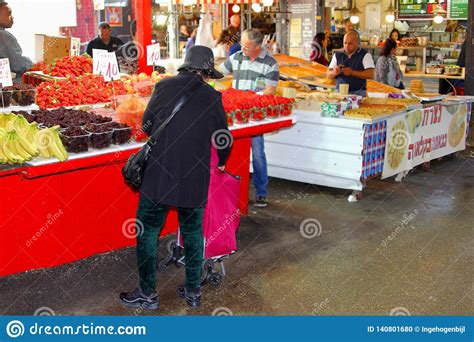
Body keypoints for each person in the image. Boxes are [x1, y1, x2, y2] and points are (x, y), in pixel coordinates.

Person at [119, 45, 231, 310]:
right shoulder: (213, 97)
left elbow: (146, 125)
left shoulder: (164, 87)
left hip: (159, 174)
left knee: (147, 232)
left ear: (185, 65)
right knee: (193, 233)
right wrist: (223, 162)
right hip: (194, 176)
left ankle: (148, 293)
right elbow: (223, 139)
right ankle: (193, 291)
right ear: (206, 72)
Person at [221, 29, 279, 208]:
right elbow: (219, 73)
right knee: (229, 151)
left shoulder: (270, 63)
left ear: (258, 46)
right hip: (234, 114)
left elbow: (270, 91)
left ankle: (261, 192)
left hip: (254, 116)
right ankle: (229, 191)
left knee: (258, 153)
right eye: (242, 45)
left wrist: (251, 97)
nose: (242, 49)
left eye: (247, 46)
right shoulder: (236, 57)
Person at [327, 31, 375, 96]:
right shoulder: (337, 54)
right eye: (345, 43)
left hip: (358, 93)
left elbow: (371, 74)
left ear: (357, 43)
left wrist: (352, 72)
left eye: (350, 43)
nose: (347, 46)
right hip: (339, 93)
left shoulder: (365, 55)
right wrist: (335, 72)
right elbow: (328, 75)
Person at [0, 1, 33, 82]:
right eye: (9, 14)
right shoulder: (4, 36)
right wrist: (32, 64)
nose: (12, 17)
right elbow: (18, 65)